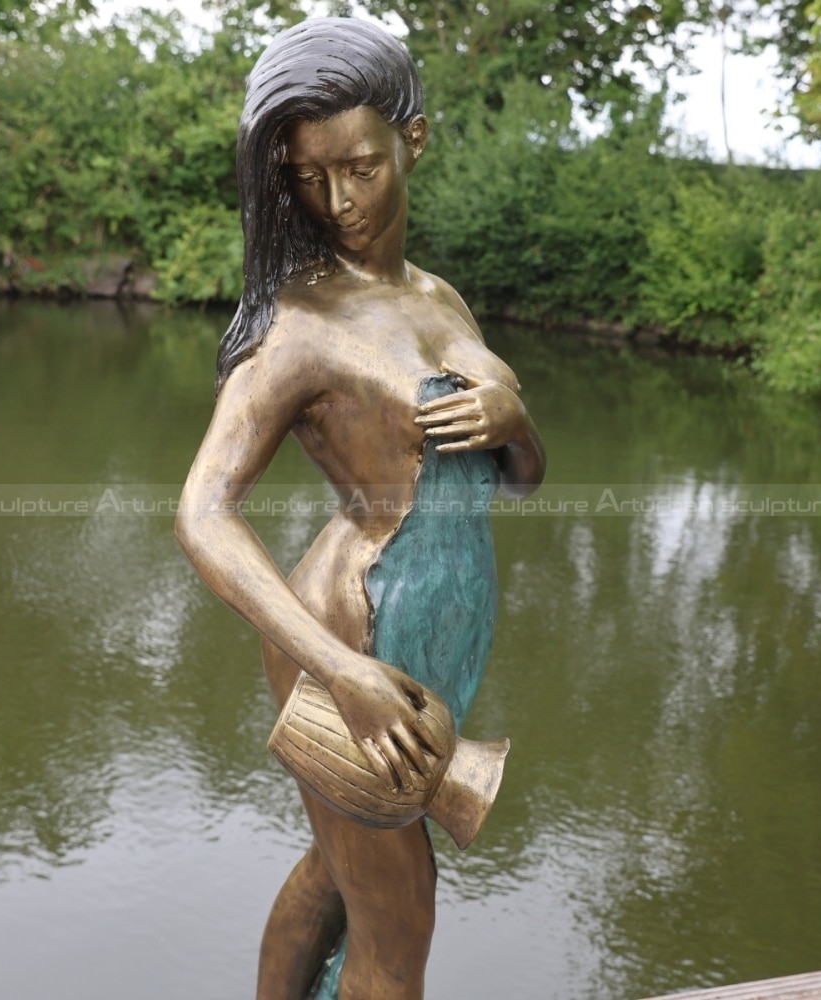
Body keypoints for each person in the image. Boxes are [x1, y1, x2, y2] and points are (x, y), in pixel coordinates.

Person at [175, 17, 546, 1000]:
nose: (336, 199)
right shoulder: (296, 326)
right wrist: (343, 673)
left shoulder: (443, 300)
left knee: (339, 877)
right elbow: (202, 514)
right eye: (306, 175)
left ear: (411, 141)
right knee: (396, 930)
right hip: (351, 631)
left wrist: (515, 416)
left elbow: (519, 477)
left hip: (438, 624)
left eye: (360, 167)